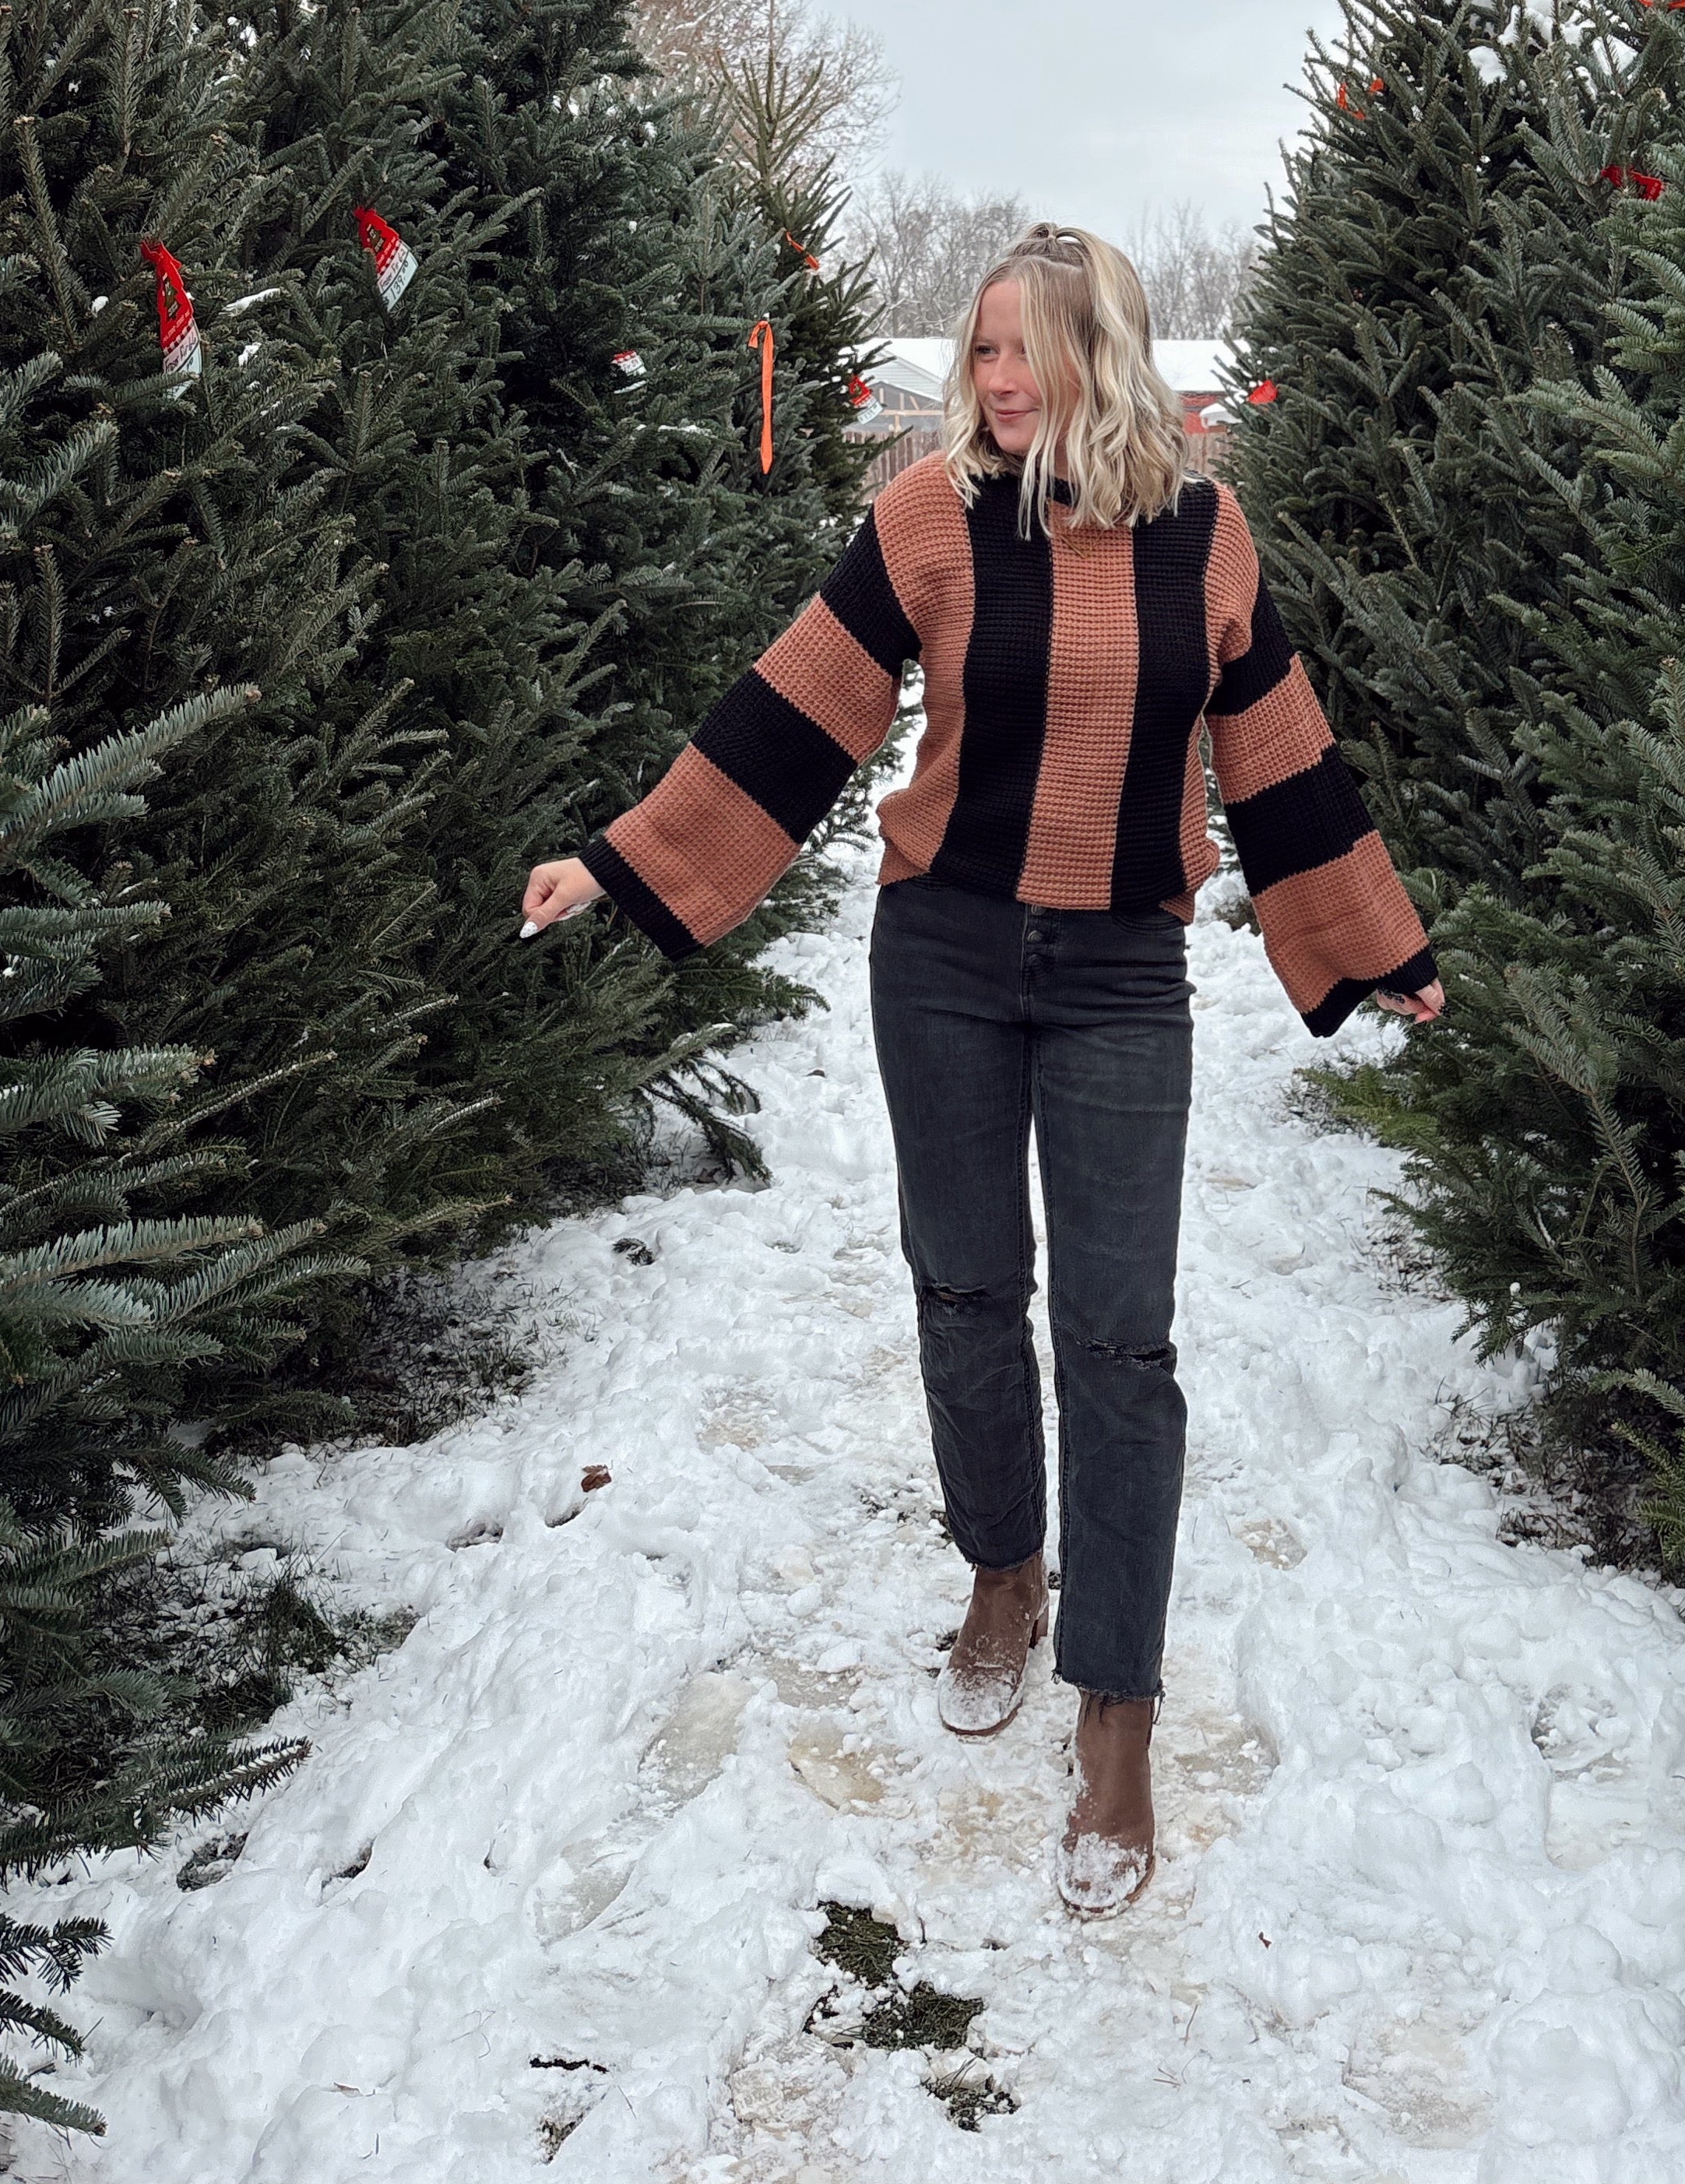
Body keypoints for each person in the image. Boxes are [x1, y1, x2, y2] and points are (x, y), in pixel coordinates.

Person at [522, 223, 1442, 1918]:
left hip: (1116, 974)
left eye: (1032, 350)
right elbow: (795, 711)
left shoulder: (1201, 532)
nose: (1001, 380)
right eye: (986, 350)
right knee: (962, 1288)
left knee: (1118, 1333)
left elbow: (1282, 752)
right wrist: (625, 857)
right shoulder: (929, 519)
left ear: (1105, 353)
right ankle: (1004, 1571)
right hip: (941, 953)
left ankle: (1117, 1705)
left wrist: (1374, 938)